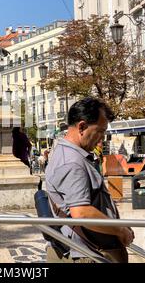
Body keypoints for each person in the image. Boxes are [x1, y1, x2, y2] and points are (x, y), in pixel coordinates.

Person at [45, 98, 134, 263]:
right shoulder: (72, 162)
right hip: (88, 254)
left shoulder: (68, 154)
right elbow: (82, 213)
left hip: (88, 250)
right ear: (82, 127)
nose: (101, 139)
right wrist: (120, 230)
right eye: (100, 131)